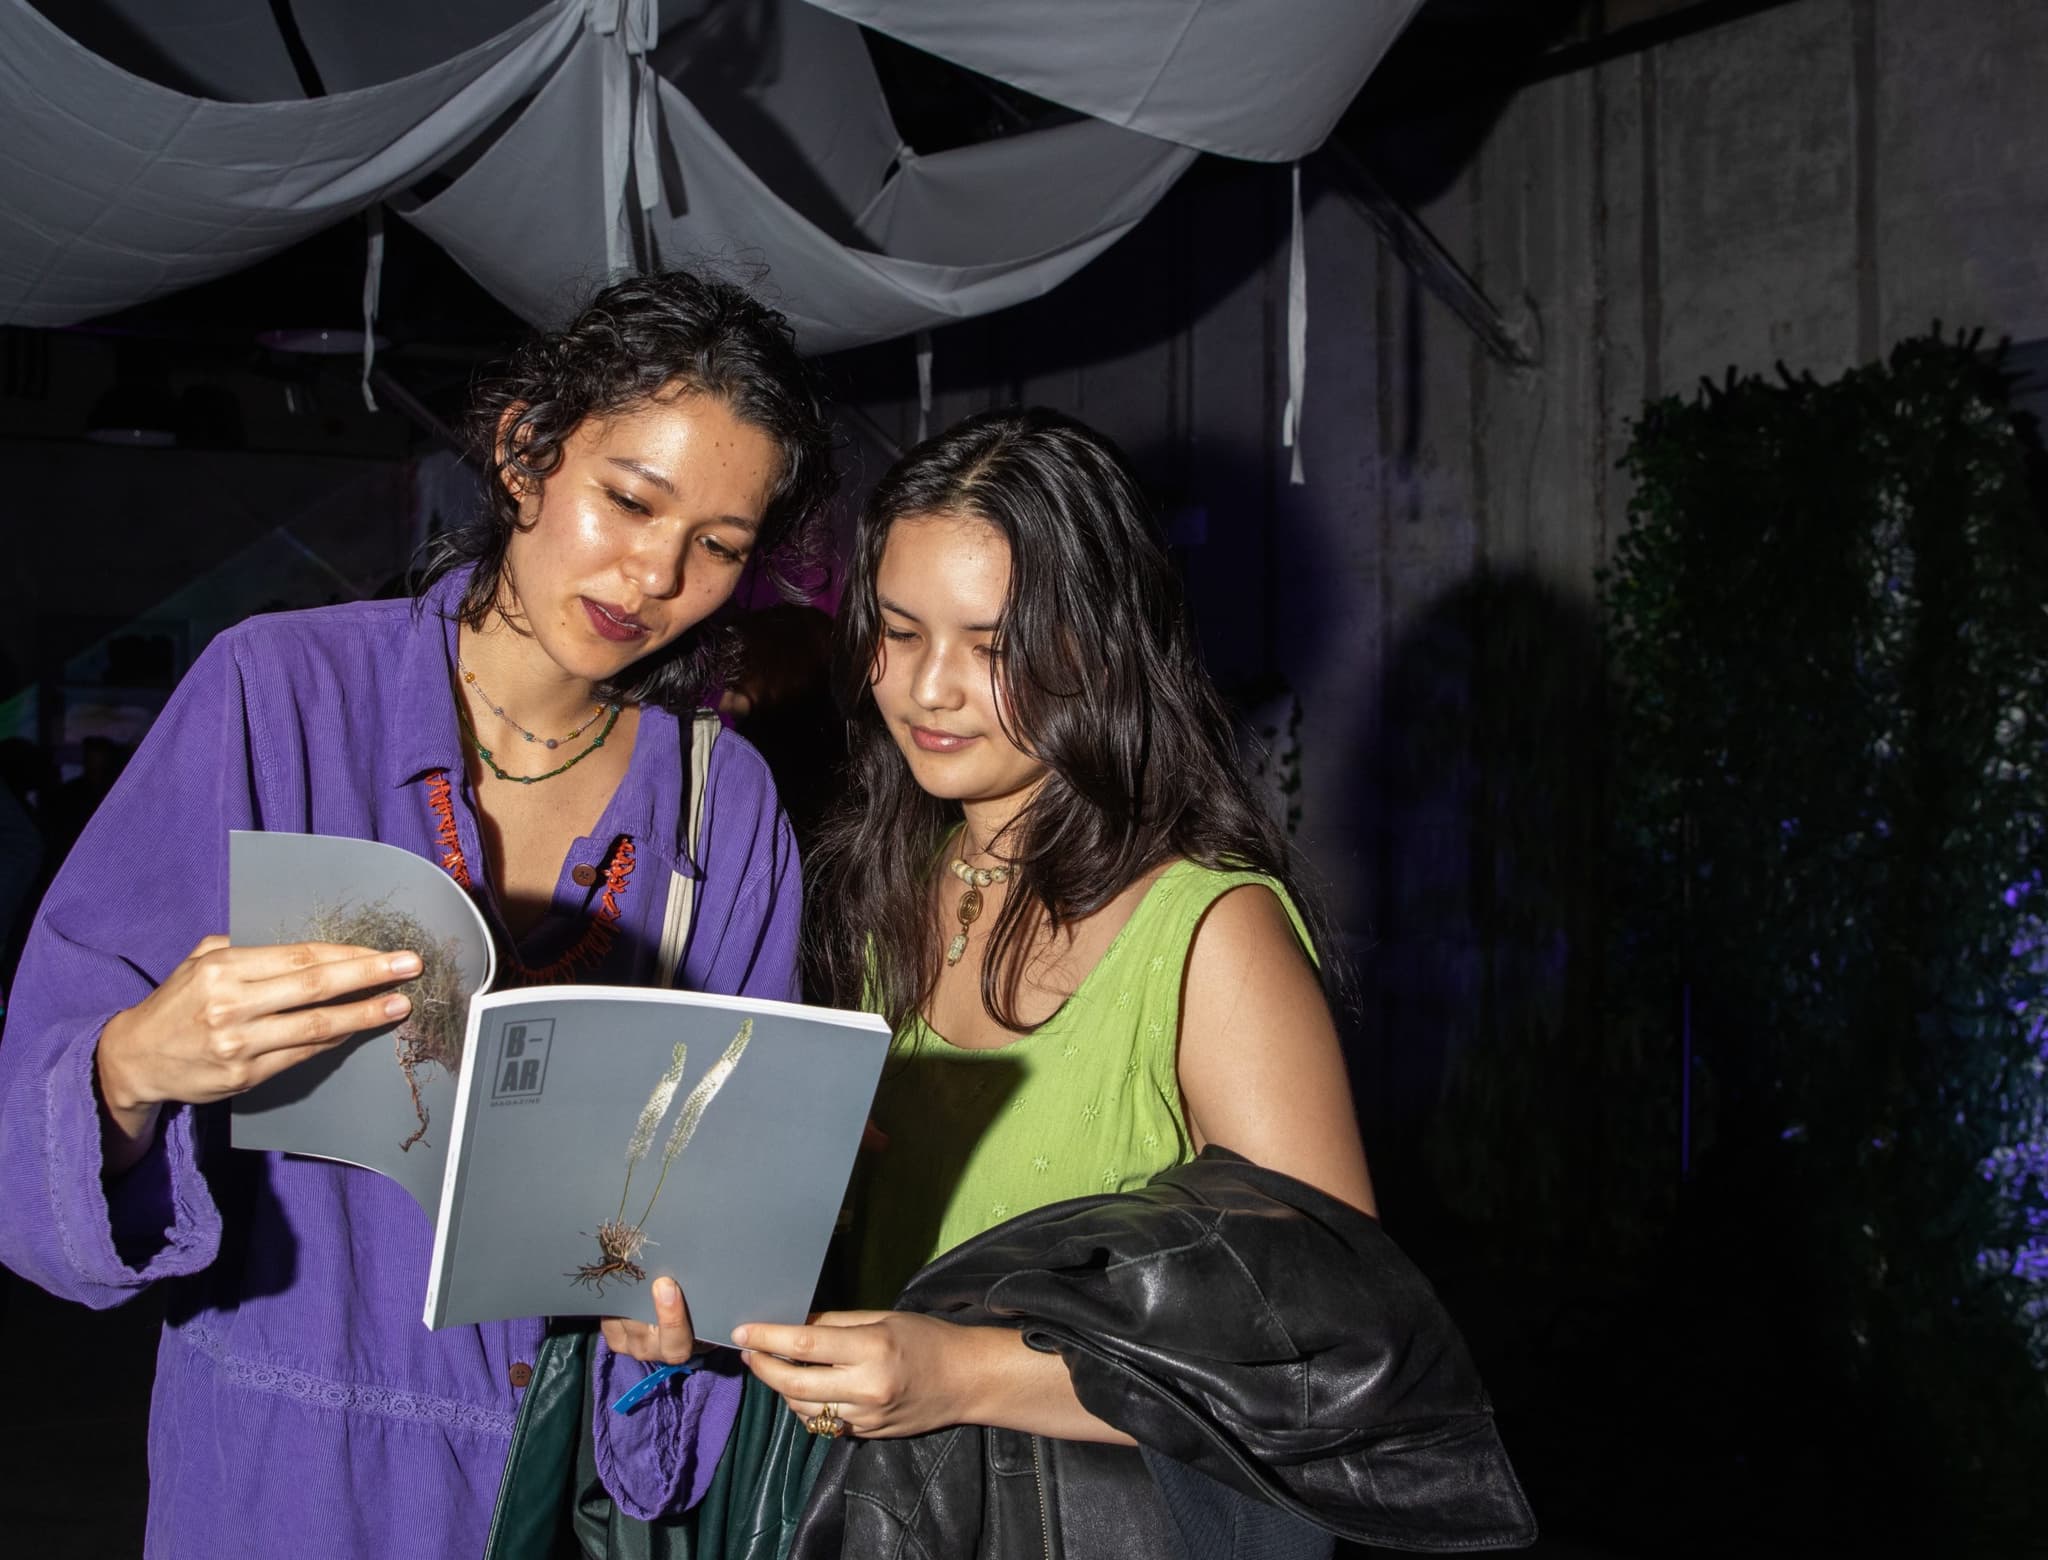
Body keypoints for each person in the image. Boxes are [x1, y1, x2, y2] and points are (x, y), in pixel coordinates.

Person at [0, 270, 833, 1559]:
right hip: (274, 1460)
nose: (656, 571)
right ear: (522, 456)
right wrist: (131, 1065)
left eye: (719, 546)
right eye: (627, 499)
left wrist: (668, 1337)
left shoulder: (725, 811)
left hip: (540, 1481)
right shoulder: (274, 696)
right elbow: (42, 1079)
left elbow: (723, 1214)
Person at [730, 411, 1530, 1556]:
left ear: (1096, 648)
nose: (929, 689)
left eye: (991, 646)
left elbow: (1328, 1339)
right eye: (900, 634)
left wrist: (957, 1371)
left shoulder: (1210, 931)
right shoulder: (885, 883)